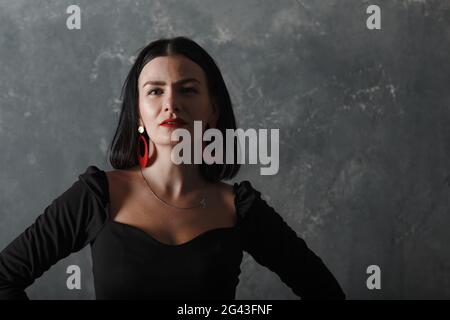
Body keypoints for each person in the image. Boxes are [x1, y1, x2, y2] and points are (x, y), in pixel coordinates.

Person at [0, 36, 345, 300]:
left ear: (212, 111)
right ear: (138, 112)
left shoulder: (240, 209)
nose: (171, 104)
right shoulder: (97, 196)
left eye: (188, 89)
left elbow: (326, 293)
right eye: (155, 91)